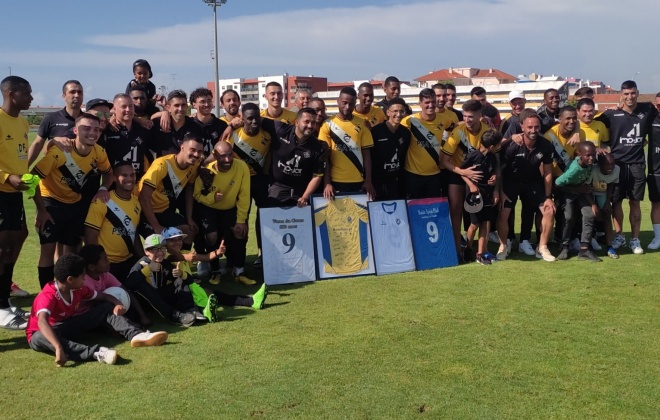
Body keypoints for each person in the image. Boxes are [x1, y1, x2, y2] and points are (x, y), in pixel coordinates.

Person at [26, 254, 168, 366]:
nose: (84, 279)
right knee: (40, 337)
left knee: (105, 308)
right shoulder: (48, 295)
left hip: (66, 327)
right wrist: (58, 347)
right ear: (70, 279)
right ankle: (97, 353)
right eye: (82, 276)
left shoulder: (78, 289)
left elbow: (104, 297)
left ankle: (137, 335)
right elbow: (42, 322)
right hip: (42, 334)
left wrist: (117, 303)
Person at [33, 113, 112, 289]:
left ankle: (69, 290)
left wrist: (102, 188)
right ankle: (46, 294)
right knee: (48, 249)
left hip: (74, 204)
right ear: (75, 130)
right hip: (50, 202)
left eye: (96, 129)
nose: (92, 132)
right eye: (86, 128)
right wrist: (41, 209)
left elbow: (108, 173)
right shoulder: (59, 152)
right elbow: (32, 179)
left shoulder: (99, 152)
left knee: (70, 249)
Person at [597, 80, 657, 254]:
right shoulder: (610, 114)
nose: (629, 97)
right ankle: (620, 235)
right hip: (617, 165)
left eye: (632, 93)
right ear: (620, 96)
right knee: (616, 202)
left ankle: (635, 240)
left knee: (635, 202)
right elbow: (591, 125)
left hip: (637, 165)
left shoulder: (648, 109)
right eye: (626, 94)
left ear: (637, 93)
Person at [162, 227, 266, 321]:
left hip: (190, 288)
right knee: (207, 295)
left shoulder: (184, 252)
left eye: (179, 239)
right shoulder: (164, 255)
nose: (177, 242)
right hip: (177, 293)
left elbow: (205, 257)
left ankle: (252, 301)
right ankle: (206, 312)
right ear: (164, 243)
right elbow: (172, 258)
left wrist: (217, 252)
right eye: (172, 240)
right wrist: (185, 257)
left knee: (214, 294)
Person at [496, 109, 556, 262]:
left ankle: (542, 247)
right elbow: (499, 170)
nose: (533, 130)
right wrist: (500, 191)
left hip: (532, 182)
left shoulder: (545, 145)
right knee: (503, 212)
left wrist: (548, 197)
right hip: (511, 182)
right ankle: (503, 245)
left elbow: (548, 171)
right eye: (529, 127)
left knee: (549, 211)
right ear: (521, 126)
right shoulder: (512, 145)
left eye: (536, 127)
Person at [193, 141, 254, 286]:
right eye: (222, 156)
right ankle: (216, 271)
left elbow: (244, 195)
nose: (227, 160)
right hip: (210, 209)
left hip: (230, 208)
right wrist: (211, 198)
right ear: (214, 155)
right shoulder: (206, 171)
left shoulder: (241, 166)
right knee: (212, 237)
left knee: (240, 232)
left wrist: (241, 220)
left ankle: (239, 271)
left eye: (229, 155)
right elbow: (196, 195)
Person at [441, 99, 493, 260]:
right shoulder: (458, 131)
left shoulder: (487, 130)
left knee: (481, 217)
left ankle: (478, 251)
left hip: (478, 178)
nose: (467, 120)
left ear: (480, 115)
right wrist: (463, 171)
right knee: (456, 212)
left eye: (471, 116)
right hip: (457, 173)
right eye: (464, 116)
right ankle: (457, 251)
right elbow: (444, 161)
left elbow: (495, 154)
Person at [0, 76, 32, 329]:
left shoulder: (22, 122)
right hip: (1, 192)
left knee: (16, 240)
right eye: (26, 94)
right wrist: (5, 176)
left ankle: (4, 300)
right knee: (3, 249)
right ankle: (1, 308)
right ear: (11, 94)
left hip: (15, 193)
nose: (31, 98)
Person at [225, 103, 271, 269]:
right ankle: (236, 260)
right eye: (249, 118)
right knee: (239, 220)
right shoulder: (233, 136)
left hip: (260, 181)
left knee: (265, 218)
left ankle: (264, 255)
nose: (254, 122)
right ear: (241, 119)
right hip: (239, 183)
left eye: (256, 118)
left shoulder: (268, 136)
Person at [138, 132, 201, 250]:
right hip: (143, 211)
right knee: (158, 243)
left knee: (189, 231)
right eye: (192, 150)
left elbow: (189, 190)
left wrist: (189, 218)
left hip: (164, 210)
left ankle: (182, 266)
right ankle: (158, 267)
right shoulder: (162, 165)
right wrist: (156, 226)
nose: (196, 154)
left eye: (200, 151)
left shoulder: (193, 166)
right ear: (182, 147)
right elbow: (143, 197)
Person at [85, 162, 144, 282]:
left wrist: (144, 258)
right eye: (124, 175)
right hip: (108, 265)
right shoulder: (102, 201)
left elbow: (134, 233)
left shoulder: (136, 202)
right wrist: (99, 266)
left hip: (129, 261)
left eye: (132, 175)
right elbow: (90, 237)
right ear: (115, 179)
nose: (129, 179)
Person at [124, 234, 197, 327]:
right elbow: (128, 284)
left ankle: (190, 309)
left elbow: (189, 281)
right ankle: (173, 316)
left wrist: (181, 274)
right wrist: (147, 269)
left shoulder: (164, 263)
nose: (160, 252)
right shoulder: (141, 264)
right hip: (142, 304)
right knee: (142, 285)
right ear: (146, 251)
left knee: (180, 280)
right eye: (155, 249)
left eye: (163, 248)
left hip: (159, 297)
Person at [262, 107, 327, 207]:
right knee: (271, 220)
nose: (310, 126)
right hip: (277, 188)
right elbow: (256, 119)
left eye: (313, 122)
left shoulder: (319, 146)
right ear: (296, 122)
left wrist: (305, 197)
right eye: (306, 121)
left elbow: (317, 176)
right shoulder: (280, 129)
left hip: (301, 193)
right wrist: (232, 126)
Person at [319, 87, 375, 199]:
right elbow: (324, 157)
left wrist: (368, 180)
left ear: (355, 103)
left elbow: (367, 154)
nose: (347, 107)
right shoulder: (327, 124)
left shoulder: (362, 124)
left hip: (359, 180)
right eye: (344, 103)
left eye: (351, 103)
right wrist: (327, 182)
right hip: (336, 181)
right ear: (338, 101)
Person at [402, 88, 456, 199]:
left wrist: (480, 120)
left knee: (432, 211)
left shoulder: (444, 119)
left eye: (433, 102)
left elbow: (456, 127)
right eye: (427, 102)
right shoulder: (408, 121)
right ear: (420, 104)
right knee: (414, 211)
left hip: (435, 175)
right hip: (413, 175)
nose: (430, 105)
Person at [79, 244, 151, 327]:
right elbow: (96, 305)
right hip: (89, 314)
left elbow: (126, 292)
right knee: (106, 306)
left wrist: (143, 316)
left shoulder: (105, 274)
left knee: (133, 312)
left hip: (107, 310)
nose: (109, 262)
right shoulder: (85, 282)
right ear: (92, 267)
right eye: (105, 260)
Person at [460, 130, 502, 265]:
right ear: (491, 146)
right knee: (474, 224)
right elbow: (462, 173)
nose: (499, 146)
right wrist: (471, 185)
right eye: (498, 144)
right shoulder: (473, 156)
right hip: (474, 195)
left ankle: (481, 253)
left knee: (485, 222)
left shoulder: (493, 156)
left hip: (488, 193)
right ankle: (468, 248)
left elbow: (496, 172)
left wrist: (495, 183)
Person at [554, 142, 599, 261]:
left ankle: (584, 249)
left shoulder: (590, 163)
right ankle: (564, 246)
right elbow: (557, 184)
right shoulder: (573, 170)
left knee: (589, 215)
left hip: (583, 192)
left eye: (593, 155)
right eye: (588, 155)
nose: (591, 158)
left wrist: (593, 204)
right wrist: (575, 189)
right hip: (569, 192)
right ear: (579, 155)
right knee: (568, 217)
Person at [99, 93, 153, 183]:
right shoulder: (107, 130)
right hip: (114, 184)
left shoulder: (143, 129)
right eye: (123, 107)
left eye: (131, 106)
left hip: (137, 183)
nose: (128, 110)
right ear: (114, 110)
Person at [28, 80, 83, 166]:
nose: (77, 95)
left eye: (80, 92)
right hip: (55, 172)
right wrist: (24, 168)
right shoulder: (51, 118)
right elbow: (38, 144)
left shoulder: (89, 120)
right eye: (72, 92)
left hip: (84, 172)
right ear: (64, 96)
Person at [369, 98, 411, 200]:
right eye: (395, 111)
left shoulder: (406, 133)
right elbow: (368, 156)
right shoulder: (375, 131)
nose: (399, 114)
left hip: (396, 182)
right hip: (377, 182)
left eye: (401, 111)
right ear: (388, 112)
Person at [150, 90, 202, 157]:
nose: (180, 109)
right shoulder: (158, 124)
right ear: (168, 107)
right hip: (164, 166)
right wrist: (163, 112)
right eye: (176, 105)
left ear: (187, 106)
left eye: (183, 105)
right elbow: (149, 121)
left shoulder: (195, 127)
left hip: (188, 167)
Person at [591, 153, 620, 258]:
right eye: (606, 164)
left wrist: (608, 202)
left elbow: (611, 184)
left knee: (607, 214)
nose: (610, 167)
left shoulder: (616, 169)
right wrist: (593, 205)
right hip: (590, 193)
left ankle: (609, 246)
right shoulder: (593, 170)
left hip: (603, 193)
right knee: (590, 215)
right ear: (599, 164)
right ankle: (588, 242)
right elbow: (586, 187)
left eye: (612, 164)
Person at [189, 87, 228, 163]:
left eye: (209, 101)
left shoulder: (221, 125)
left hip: (216, 169)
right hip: (193, 170)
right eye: (202, 101)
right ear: (194, 104)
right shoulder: (188, 124)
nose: (207, 104)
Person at [648, 93, 660, 250]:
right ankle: (658, 237)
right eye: (658, 105)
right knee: (656, 204)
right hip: (655, 171)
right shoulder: (651, 119)